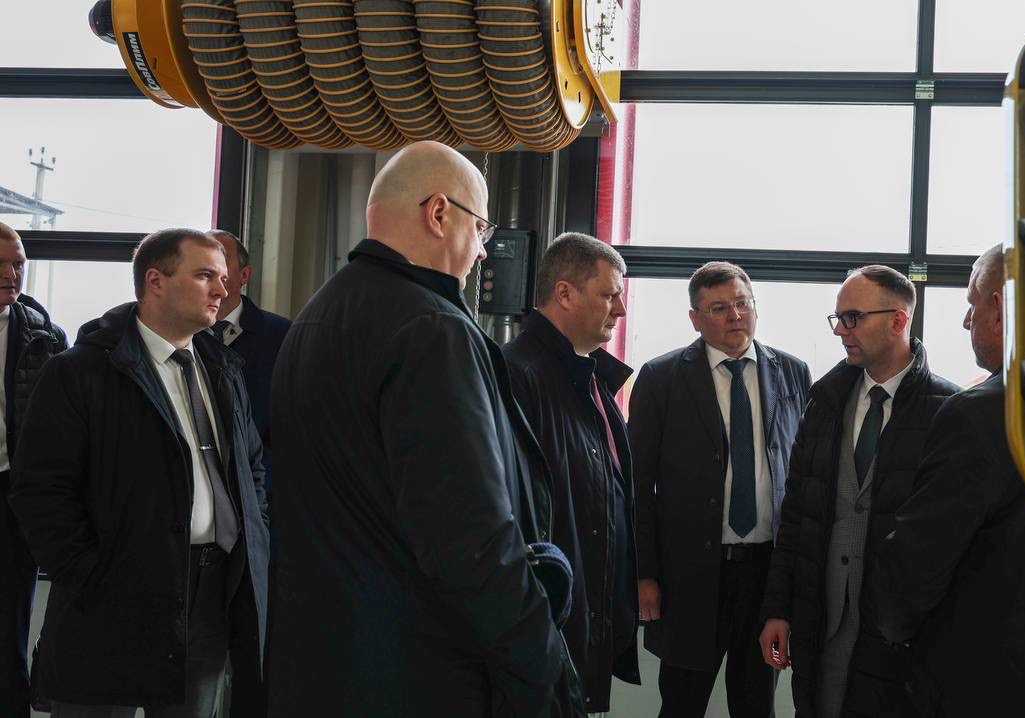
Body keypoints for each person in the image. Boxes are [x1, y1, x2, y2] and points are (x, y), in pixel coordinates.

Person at [266, 141, 574, 717]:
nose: (483, 250)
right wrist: (543, 666)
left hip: (327, 659)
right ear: (438, 213)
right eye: (479, 228)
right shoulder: (432, 330)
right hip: (420, 669)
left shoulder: (315, 316)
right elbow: (468, 534)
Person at [8, 228, 270, 717]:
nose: (223, 288)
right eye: (205, 275)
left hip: (210, 593)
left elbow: (250, 468)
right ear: (155, 281)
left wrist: (254, 539)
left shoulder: (223, 368)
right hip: (110, 597)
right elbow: (41, 489)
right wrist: (85, 571)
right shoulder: (81, 371)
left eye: (224, 277)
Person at [873, 245, 1025, 716]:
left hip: (987, 682)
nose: (965, 321)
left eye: (971, 304)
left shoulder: (979, 413)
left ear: (999, 307)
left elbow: (916, 568)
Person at [758, 265, 960, 718]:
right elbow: (796, 516)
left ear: (898, 321)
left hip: (898, 639)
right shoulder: (823, 404)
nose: (840, 331)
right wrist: (778, 609)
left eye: (853, 318)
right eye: (838, 318)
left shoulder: (948, 412)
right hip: (819, 621)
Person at [629, 261, 811, 717]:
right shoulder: (662, 377)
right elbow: (637, 484)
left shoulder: (793, 372)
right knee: (682, 704)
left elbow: (803, 480)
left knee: (756, 705)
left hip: (765, 574)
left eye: (742, 303)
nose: (735, 315)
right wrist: (644, 574)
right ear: (695, 318)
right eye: (718, 308)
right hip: (688, 576)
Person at [502, 232, 640, 714]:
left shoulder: (589, 376)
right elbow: (513, 514)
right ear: (564, 293)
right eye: (609, 294)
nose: (620, 309)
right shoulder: (519, 375)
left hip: (583, 618)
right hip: (548, 622)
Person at [0, 221, 67, 718]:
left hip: (11, 493)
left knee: (9, 625)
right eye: (0, 264)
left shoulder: (45, 336)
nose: (12, 274)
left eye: (18, 263)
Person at [206, 230, 290, 491]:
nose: (210, 269)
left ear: (244, 275)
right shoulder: (177, 335)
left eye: (221, 258)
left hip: (261, 489)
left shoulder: (282, 336)